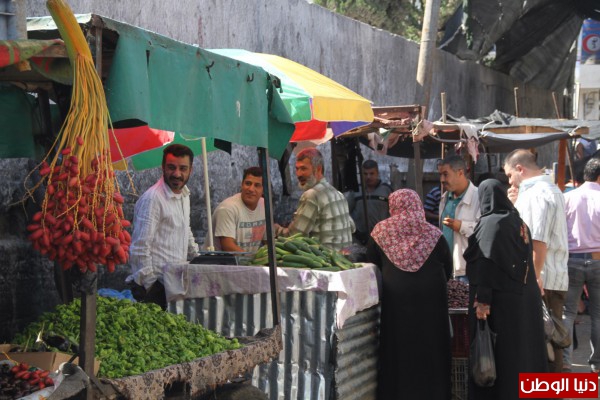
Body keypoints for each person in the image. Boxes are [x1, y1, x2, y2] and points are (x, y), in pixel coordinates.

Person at [464, 179, 548, 400]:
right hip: (523, 299)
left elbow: (485, 263)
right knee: (523, 351)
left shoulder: (490, 223)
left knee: (501, 355)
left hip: (500, 302)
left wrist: (483, 301)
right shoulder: (519, 222)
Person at [366, 189, 452, 400]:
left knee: (399, 348)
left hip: (397, 304)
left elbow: (371, 265)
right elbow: (448, 269)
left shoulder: (381, 232)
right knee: (432, 347)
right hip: (432, 304)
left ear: (393, 207)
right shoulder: (434, 234)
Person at [504, 148, 569, 372]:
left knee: (546, 343)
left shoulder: (537, 193)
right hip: (549, 276)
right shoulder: (549, 189)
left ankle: (550, 388)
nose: (509, 181)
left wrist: (534, 276)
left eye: (510, 175)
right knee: (548, 340)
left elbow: (538, 241)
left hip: (542, 280)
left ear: (520, 169)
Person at [127, 144, 200, 309]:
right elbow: (139, 247)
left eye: (183, 168)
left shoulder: (185, 194)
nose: (177, 174)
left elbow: (185, 228)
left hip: (175, 285)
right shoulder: (153, 199)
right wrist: (150, 286)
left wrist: (198, 258)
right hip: (156, 288)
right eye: (171, 167)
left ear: (191, 170)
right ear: (163, 167)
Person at [562, 158, 600, 373]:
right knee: (598, 314)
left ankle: (565, 362)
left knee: (568, 313)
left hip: (572, 259)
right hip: (598, 260)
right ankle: (597, 364)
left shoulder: (567, 197)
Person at [276, 147, 354, 251]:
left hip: (326, 259)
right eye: (297, 169)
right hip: (345, 257)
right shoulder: (338, 194)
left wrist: (276, 229)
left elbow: (294, 236)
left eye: (303, 169)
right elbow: (352, 227)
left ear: (318, 169)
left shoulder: (312, 195)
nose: (299, 174)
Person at [438, 154, 480, 280]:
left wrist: (462, 226)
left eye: (445, 174)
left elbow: (485, 232)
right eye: (440, 175)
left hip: (467, 270)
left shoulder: (478, 197)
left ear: (460, 173)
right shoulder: (445, 198)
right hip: (446, 269)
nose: (442, 179)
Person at [206, 166, 266, 253]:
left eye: (257, 185)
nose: (251, 189)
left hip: (246, 260)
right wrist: (253, 259)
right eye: (248, 183)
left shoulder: (265, 206)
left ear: (264, 190)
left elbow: (268, 243)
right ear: (242, 185)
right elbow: (228, 247)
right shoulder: (227, 208)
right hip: (219, 261)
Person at [345, 160, 392, 244]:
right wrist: (355, 231)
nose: (368, 177)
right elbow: (345, 212)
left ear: (377, 173)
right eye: (365, 174)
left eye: (371, 173)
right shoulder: (356, 191)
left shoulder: (386, 190)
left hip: (382, 238)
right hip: (359, 239)